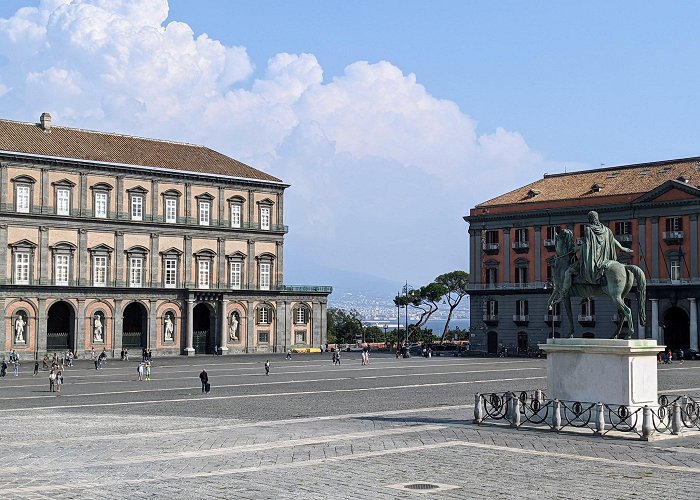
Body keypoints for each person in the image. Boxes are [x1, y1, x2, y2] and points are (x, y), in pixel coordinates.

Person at [556, 210, 634, 302]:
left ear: (589, 219)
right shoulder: (606, 230)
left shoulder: (589, 229)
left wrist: (576, 249)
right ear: (597, 218)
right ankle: (586, 296)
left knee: (568, 272)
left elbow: (586, 245)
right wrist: (623, 248)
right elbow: (613, 240)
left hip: (592, 259)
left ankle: (564, 294)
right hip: (605, 259)